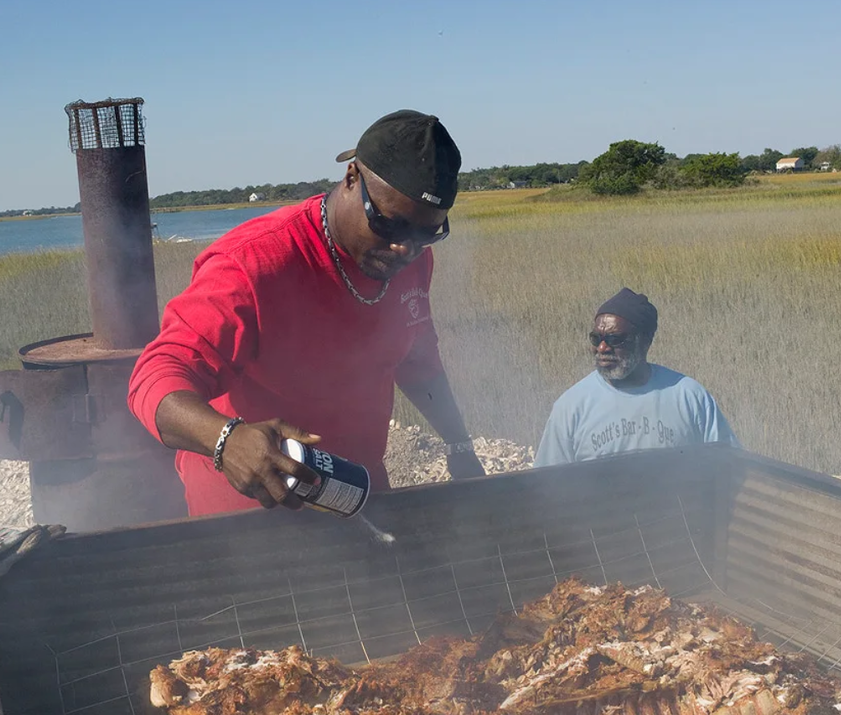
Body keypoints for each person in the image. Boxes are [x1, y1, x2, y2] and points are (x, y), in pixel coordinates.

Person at [128, 109, 485, 516]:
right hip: (251, 512)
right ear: (352, 178)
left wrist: (459, 445)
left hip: (356, 494)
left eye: (428, 233)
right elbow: (155, 375)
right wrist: (225, 440)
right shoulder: (253, 264)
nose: (406, 248)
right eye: (391, 224)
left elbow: (419, 360)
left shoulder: (410, 261)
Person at [534, 288, 739, 467]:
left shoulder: (689, 397)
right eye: (596, 338)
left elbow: (731, 466)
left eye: (615, 339)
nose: (602, 348)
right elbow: (546, 487)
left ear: (645, 342)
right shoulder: (571, 407)